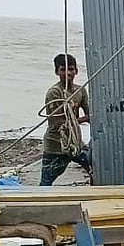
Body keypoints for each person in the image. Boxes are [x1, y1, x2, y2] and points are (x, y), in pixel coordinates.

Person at [40, 53, 92, 186]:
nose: (68, 73)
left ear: (76, 71)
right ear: (56, 71)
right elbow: (60, 123)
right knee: (46, 183)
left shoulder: (80, 91)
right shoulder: (54, 93)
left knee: (92, 167)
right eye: (63, 69)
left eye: (71, 69)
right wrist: (82, 119)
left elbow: (91, 115)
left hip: (75, 144)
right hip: (55, 144)